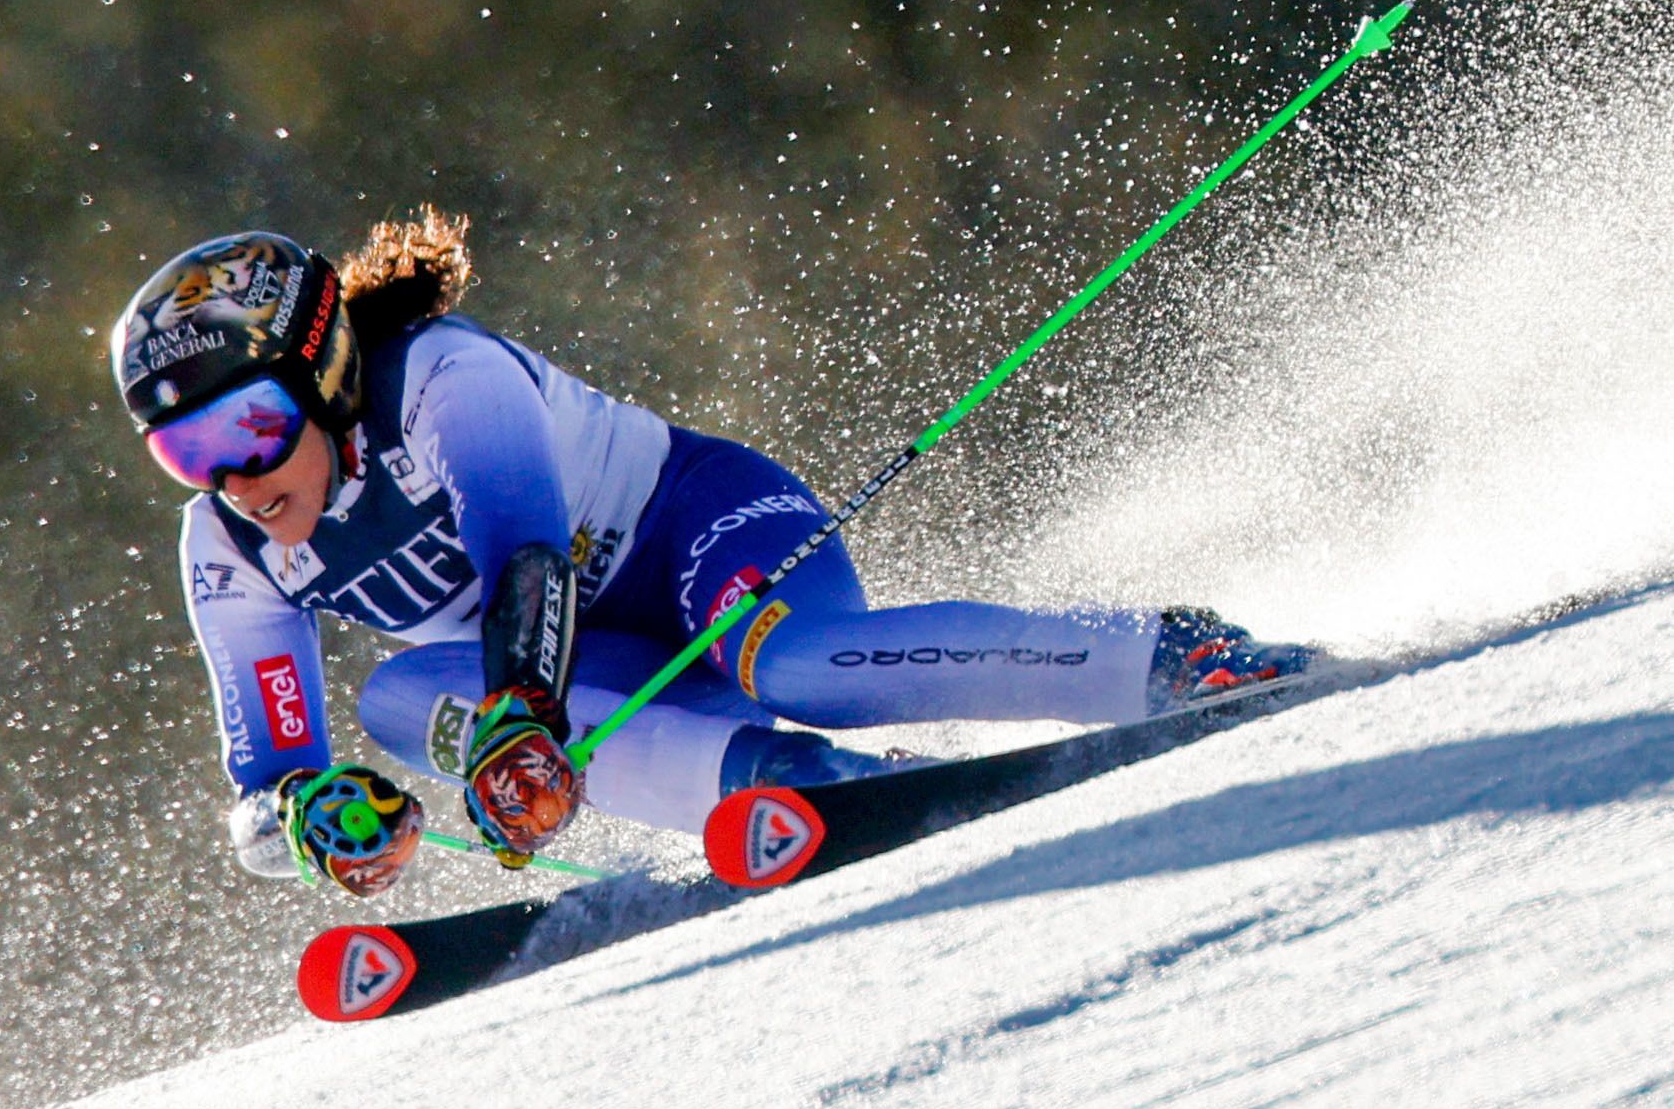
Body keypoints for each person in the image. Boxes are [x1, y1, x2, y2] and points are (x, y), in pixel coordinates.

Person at [113, 212, 1314, 897]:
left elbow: (526, 554)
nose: (232, 475)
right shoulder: (225, 543)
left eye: (247, 424)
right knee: (397, 694)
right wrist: (312, 817)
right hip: (589, 658)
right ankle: (801, 784)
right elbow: (261, 787)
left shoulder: (442, 380)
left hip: (696, 533)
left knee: (789, 663)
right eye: (183, 450)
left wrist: (523, 711)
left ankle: (1160, 655)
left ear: (322, 369)